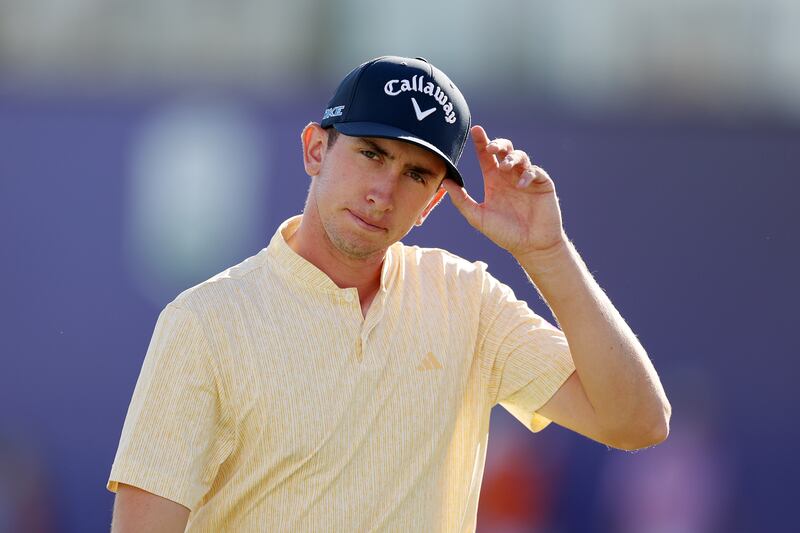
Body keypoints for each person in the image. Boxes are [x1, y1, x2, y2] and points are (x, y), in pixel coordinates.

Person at [107, 56, 670, 532]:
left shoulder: (467, 302)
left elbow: (637, 422)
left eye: (416, 175)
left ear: (430, 204)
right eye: (371, 153)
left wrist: (545, 252)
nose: (383, 191)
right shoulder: (205, 322)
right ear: (315, 150)